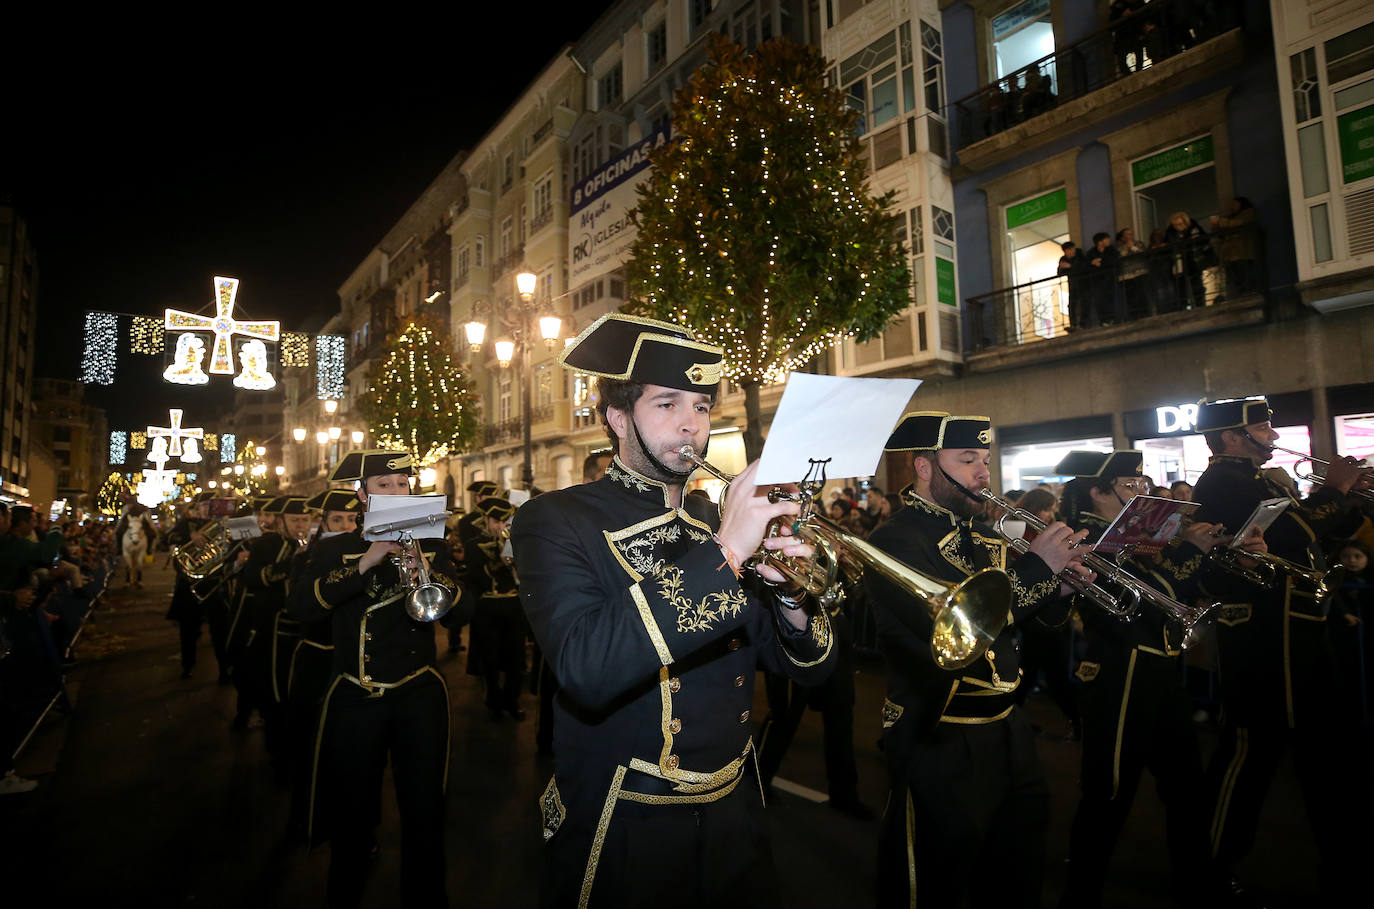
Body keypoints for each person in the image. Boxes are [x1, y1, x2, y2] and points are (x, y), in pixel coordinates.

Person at [511, 313, 836, 908]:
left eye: (703, 406)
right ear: (617, 418)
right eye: (667, 404)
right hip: (626, 816)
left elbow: (808, 670)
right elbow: (584, 667)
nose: (692, 424)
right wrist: (729, 551)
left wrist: (790, 594)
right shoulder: (556, 519)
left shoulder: (715, 527)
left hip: (736, 805)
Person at [864, 411, 1092, 908]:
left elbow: (1026, 628)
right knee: (936, 879)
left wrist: (1060, 591)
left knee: (1016, 871)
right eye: (967, 460)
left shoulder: (989, 538)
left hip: (1008, 729)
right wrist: (1039, 570)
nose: (983, 475)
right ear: (924, 468)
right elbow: (960, 628)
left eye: (985, 461)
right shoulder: (894, 540)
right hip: (938, 734)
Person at [1052, 450, 1260, 909]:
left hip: (1161, 670)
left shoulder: (1145, 533)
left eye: (1144, 482)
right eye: (1130, 485)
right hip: (1119, 676)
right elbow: (1149, 596)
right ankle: (1080, 896)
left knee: (1187, 790)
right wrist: (1189, 550)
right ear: (1098, 492)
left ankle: (1200, 884)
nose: (1143, 492)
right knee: (1108, 794)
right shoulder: (1086, 535)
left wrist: (1231, 562)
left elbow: (1184, 590)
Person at [1190, 396, 1373, 902]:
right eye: (1262, 426)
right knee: (1249, 749)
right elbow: (1293, 531)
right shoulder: (1220, 483)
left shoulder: (1262, 481)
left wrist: (1352, 498)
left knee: (1327, 754)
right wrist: (1335, 489)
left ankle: (1344, 861)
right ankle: (1208, 864)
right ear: (1231, 437)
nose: (1272, 433)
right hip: (1263, 634)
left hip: (1301, 627)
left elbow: (1314, 540)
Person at [293, 449, 468, 909]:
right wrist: (366, 561)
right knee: (352, 811)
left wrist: (430, 573)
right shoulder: (334, 547)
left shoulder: (432, 543)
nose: (396, 491)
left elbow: (461, 616)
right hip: (356, 693)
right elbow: (303, 608)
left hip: (419, 691)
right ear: (362, 494)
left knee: (426, 809)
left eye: (402, 484)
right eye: (384, 486)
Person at [285, 489, 359, 843]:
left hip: (350, 665)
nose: (346, 526)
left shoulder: (367, 555)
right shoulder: (309, 557)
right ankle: (305, 814)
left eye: (352, 520)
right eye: (337, 520)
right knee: (308, 743)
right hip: (317, 659)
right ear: (323, 523)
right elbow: (301, 607)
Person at [462, 496, 524, 720]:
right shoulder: (473, 545)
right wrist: (500, 562)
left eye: (504, 521)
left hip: (513, 605)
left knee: (516, 657)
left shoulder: (515, 540)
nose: (500, 526)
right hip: (487, 607)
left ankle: (512, 701)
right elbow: (476, 576)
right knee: (490, 658)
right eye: (496, 521)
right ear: (485, 520)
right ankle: (494, 701)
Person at [164, 493, 215, 680]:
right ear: (197, 508)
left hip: (215, 583)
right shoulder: (188, 524)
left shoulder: (224, 524)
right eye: (204, 505)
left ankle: (225, 667)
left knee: (221, 628)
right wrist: (189, 535)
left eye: (212, 505)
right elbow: (168, 538)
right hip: (190, 583)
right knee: (187, 627)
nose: (207, 509)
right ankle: (188, 664)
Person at [1209, 197, 1260, 298]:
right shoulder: (1230, 217)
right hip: (1230, 254)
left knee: (1245, 274)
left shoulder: (1248, 213)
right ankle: (1241, 294)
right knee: (1236, 277)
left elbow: (1239, 223)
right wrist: (1215, 226)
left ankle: (1249, 293)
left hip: (1243, 252)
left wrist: (1220, 221)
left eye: (1235, 204)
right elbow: (1220, 234)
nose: (1233, 206)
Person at [1163, 211, 1211, 309]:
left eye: (1180, 224)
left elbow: (1204, 238)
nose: (1178, 227)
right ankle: (1183, 307)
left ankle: (1200, 305)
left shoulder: (1194, 228)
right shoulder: (1170, 232)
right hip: (1179, 261)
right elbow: (1167, 244)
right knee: (1181, 287)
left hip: (1193, 260)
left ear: (1185, 222)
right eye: (1175, 225)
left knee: (1197, 284)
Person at [1087, 232, 1122, 325]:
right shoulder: (1091, 253)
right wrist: (1092, 263)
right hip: (1097, 280)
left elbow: (1115, 260)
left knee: (1111, 298)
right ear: (1100, 242)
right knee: (1100, 300)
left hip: (1110, 278)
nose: (1109, 241)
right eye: (1106, 239)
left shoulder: (1111, 250)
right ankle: (1103, 320)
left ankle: (1112, 319)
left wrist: (1100, 262)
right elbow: (1086, 266)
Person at [1115, 227, 1149, 320]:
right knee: (1130, 297)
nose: (1130, 236)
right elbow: (1118, 259)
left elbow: (1144, 253)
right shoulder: (1118, 248)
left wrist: (1133, 247)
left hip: (1140, 272)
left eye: (1131, 234)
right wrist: (1125, 249)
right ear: (1122, 237)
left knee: (1142, 294)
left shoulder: (1139, 244)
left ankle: (1145, 313)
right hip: (1126, 276)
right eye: (1127, 235)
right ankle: (1133, 315)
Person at [1058, 240, 1091, 331]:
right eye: (1071, 249)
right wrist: (1065, 267)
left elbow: (1083, 266)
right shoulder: (1063, 259)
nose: (1073, 251)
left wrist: (1070, 266)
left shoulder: (1079, 255)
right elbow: (1060, 272)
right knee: (1072, 305)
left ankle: (1083, 323)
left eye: (1073, 249)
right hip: (1073, 285)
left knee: (1084, 303)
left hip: (1083, 283)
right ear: (1066, 251)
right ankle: (1073, 324)